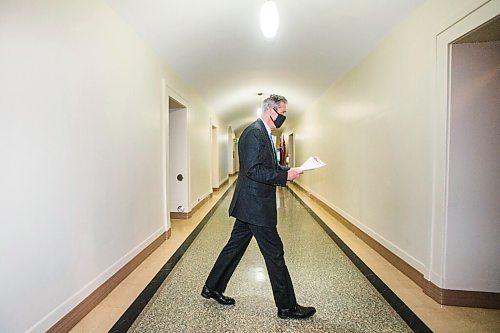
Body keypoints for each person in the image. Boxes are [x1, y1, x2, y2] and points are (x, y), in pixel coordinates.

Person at [201, 94, 316, 320]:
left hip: (249, 204)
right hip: (255, 207)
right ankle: (287, 307)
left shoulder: (264, 132)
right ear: (270, 111)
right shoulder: (254, 133)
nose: (283, 117)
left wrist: (288, 170)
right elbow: (253, 170)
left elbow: (267, 165)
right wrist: (284, 178)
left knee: (233, 248)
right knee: (275, 254)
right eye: (282, 113)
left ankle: (212, 287)